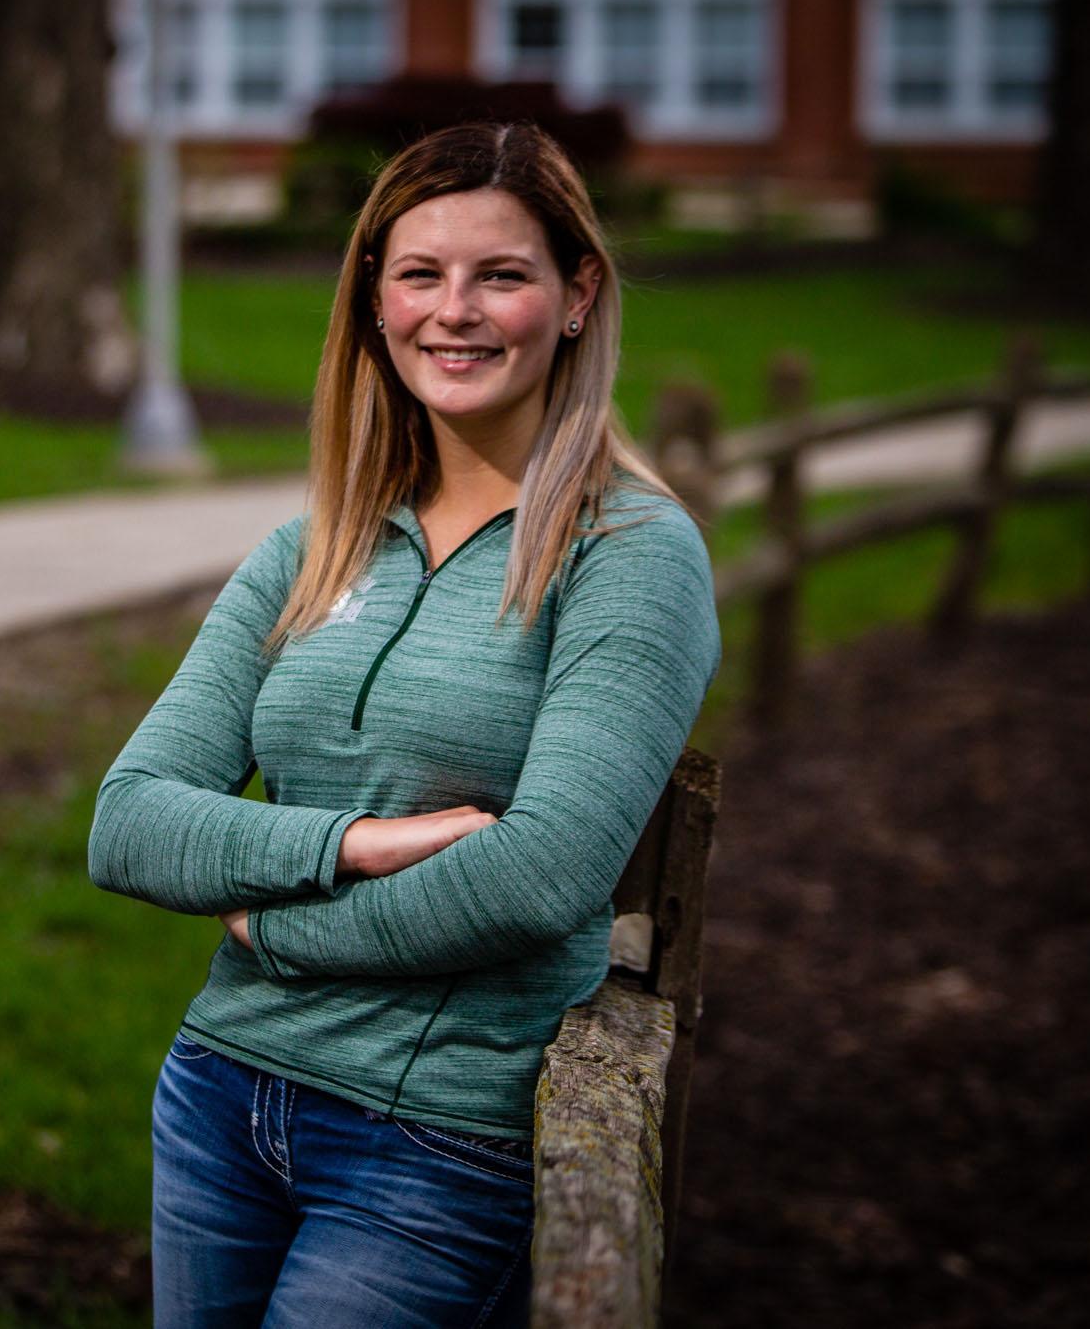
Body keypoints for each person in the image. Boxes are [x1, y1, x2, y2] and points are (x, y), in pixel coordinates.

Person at [86, 120, 721, 1327]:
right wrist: (346, 846)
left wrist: (271, 930)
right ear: (374, 305)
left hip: (428, 1139)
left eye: (502, 275)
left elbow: (539, 876)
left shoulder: (629, 556)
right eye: (419, 274)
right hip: (218, 1097)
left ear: (577, 294)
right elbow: (127, 822)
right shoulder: (309, 547)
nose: (456, 311)